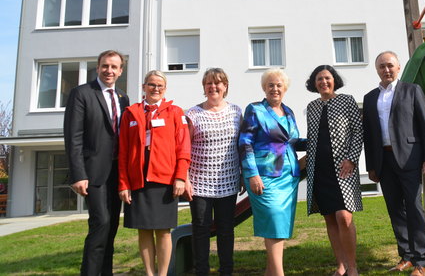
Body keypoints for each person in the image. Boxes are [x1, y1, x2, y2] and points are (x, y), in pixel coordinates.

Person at [362, 51, 425, 276]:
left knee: (413, 207)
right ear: (377, 69)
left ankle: (421, 260)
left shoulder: (412, 90)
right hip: (383, 160)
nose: (386, 70)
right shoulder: (369, 98)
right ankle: (405, 255)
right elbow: (369, 134)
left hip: (410, 158)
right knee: (395, 208)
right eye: (382, 66)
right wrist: (371, 166)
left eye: (390, 66)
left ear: (398, 67)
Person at [118, 70, 190, 276]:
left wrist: (180, 177)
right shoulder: (130, 113)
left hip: (165, 179)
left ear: (165, 89)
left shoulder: (175, 112)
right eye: (151, 84)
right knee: (144, 229)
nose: (155, 88)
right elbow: (123, 152)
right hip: (138, 179)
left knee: (164, 231)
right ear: (144, 87)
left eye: (160, 85)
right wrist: (123, 183)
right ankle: (149, 273)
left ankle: (163, 273)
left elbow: (183, 147)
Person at [64, 50, 130, 276]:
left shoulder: (123, 98)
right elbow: (73, 137)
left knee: (111, 226)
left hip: (117, 173)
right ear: (98, 67)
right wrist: (78, 174)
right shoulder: (81, 93)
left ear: (121, 71)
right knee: (100, 222)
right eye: (105, 66)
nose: (109, 70)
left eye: (114, 67)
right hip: (93, 173)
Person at [238, 68, 305, 276]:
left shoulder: (289, 111)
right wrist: (252, 174)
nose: (275, 88)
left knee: (280, 228)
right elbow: (245, 143)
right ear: (264, 88)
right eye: (271, 85)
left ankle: (270, 272)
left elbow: (292, 142)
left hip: (288, 177)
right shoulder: (255, 109)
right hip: (263, 175)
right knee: (275, 220)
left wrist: (319, 142)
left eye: (279, 85)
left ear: (285, 89)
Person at [305, 65, 363, 276]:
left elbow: (358, 131)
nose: (323, 82)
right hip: (319, 170)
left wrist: (352, 159)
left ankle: (353, 266)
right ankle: (341, 265)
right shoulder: (312, 107)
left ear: (334, 80)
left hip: (343, 169)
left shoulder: (347, 100)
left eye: (327, 78)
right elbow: (312, 139)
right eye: (319, 79)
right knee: (330, 217)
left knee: (344, 217)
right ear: (314, 83)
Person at [184, 68, 243, 276]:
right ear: (204, 87)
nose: (213, 87)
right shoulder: (192, 114)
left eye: (217, 83)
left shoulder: (236, 111)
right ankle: (202, 271)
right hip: (199, 183)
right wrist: (185, 178)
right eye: (208, 83)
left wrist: (244, 172)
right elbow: (184, 148)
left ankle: (226, 271)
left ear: (225, 86)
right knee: (200, 229)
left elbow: (241, 145)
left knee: (226, 230)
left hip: (227, 181)